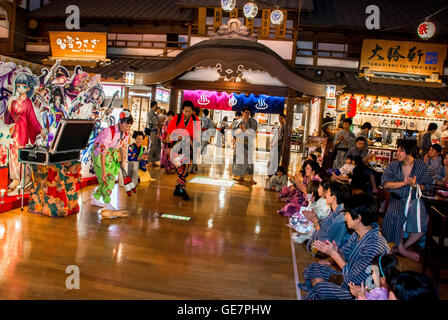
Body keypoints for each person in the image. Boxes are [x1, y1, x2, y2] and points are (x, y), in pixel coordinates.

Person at [300, 194, 390, 300]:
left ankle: (318, 293)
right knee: (313, 268)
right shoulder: (358, 233)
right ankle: (319, 293)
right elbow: (345, 252)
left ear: (358, 218)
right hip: (348, 277)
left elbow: (352, 278)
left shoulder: (374, 245)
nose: (345, 216)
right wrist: (333, 255)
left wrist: (334, 254)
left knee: (321, 288)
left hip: (360, 291)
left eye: (347, 213)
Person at [381, 140, 433, 261]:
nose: (397, 153)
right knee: (398, 213)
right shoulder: (393, 166)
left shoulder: (421, 166)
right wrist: (403, 183)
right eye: (397, 150)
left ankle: (403, 247)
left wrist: (416, 186)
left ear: (409, 152)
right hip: (397, 199)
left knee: (424, 220)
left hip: (415, 201)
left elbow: (428, 185)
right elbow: (385, 184)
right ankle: (402, 249)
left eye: (400, 151)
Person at [4, 72, 46, 195]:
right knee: (13, 156)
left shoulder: (27, 102)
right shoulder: (14, 101)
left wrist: (40, 130)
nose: (20, 88)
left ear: (28, 88)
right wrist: (10, 104)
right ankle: (16, 179)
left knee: (21, 157)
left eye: (23, 86)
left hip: (23, 132)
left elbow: (32, 119)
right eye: (19, 86)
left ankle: (25, 180)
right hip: (14, 131)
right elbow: (8, 118)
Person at [90, 109, 133, 210]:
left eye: (129, 126)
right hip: (100, 155)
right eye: (126, 125)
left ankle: (95, 198)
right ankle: (107, 202)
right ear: (120, 122)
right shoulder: (109, 131)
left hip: (111, 155)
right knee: (108, 178)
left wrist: (123, 161)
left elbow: (123, 147)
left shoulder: (126, 133)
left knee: (112, 175)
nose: (128, 128)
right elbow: (103, 152)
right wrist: (103, 171)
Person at [304, 181, 350, 255]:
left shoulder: (340, 218)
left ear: (334, 198)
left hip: (333, 250)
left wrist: (315, 221)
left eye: (327, 194)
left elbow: (323, 239)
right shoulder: (335, 211)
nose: (325, 195)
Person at [167, 100, 200, 201]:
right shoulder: (176, 119)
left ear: (192, 111)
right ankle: (180, 188)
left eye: (189, 111)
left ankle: (179, 188)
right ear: (182, 110)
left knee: (185, 167)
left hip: (188, 147)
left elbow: (197, 137)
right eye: (185, 111)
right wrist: (168, 147)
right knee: (181, 167)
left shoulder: (196, 120)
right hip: (176, 146)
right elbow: (169, 133)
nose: (187, 113)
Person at [232, 107, 258, 184]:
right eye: (245, 112)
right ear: (242, 113)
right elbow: (234, 133)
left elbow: (253, 133)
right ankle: (241, 176)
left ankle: (251, 178)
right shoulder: (237, 122)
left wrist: (244, 130)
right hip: (239, 143)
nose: (247, 114)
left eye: (248, 113)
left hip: (248, 143)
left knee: (250, 161)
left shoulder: (253, 122)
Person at [147, 100, 160, 166]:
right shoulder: (150, 113)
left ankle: (153, 161)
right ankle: (148, 160)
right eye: (156, 106)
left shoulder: (153, 113)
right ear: (154, 105)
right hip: (152, 131)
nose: (157, 107)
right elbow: (156, 122)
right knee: (152, 146)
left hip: (155, 131)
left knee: (155, 147)